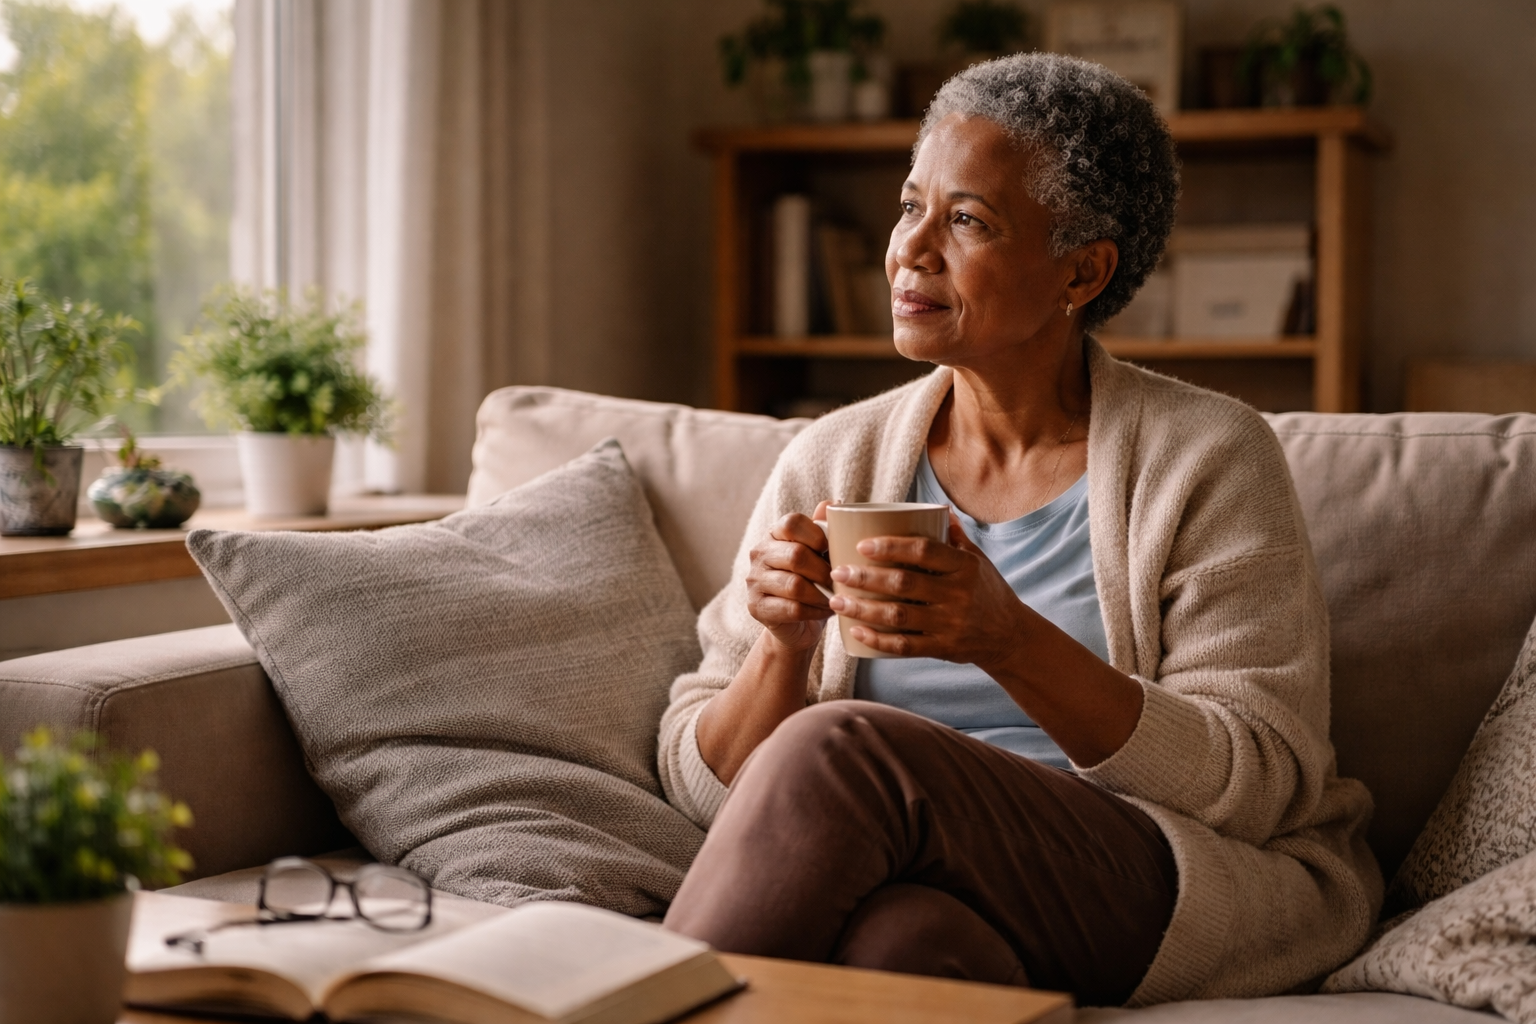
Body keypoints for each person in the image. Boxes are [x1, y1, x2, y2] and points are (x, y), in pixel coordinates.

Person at [657, 53, 1382, 1007]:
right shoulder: (833, 460)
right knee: (904, 946)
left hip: (1151, 872)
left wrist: (1007, 640)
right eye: (910, 205)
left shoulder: (1210, 457)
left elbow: (1261, 780)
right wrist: (784, 652)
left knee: (842, 751)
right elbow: (702, 789)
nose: (911, 250)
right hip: (932, 889)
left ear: (1081, 271)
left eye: (966, 221)